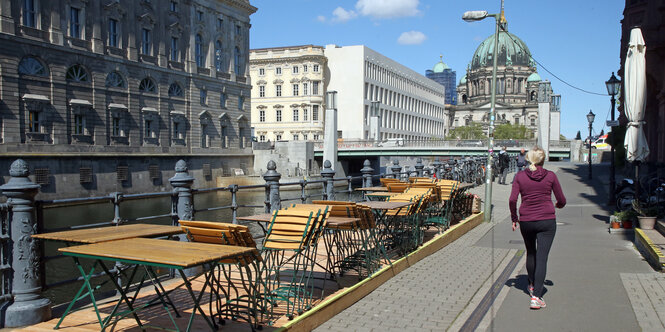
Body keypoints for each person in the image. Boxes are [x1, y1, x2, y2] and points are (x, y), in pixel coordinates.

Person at [509, 146, 566, 310]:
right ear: (543, 159)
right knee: (542, 257)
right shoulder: (551, 176)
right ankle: (536, 296)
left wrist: (514, 218)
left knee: (531, 252)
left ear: (527, 159)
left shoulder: (520, 176)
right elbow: (562, 199)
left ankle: (532, 284)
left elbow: (512, 200)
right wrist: (558, 205)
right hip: (547, 220)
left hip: (526, 220)